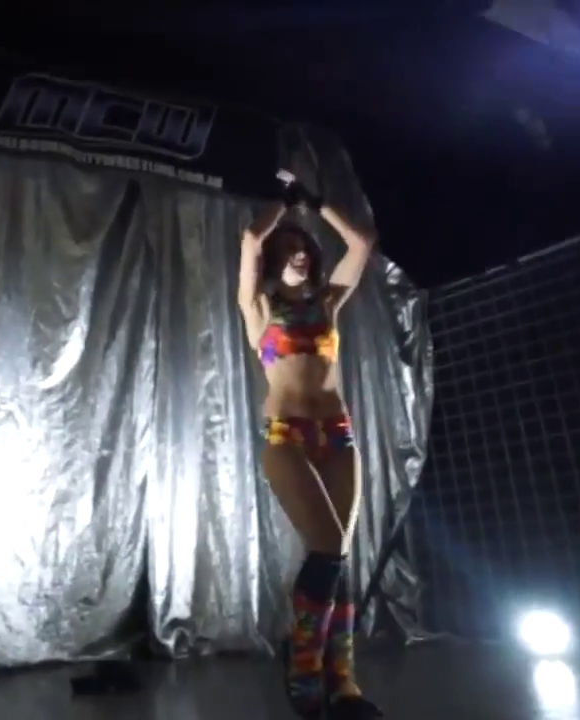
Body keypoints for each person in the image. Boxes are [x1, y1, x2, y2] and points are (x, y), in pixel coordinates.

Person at [236, 171, 382, 719]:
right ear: (276, 259)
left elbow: (361, 243)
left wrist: (318, 205)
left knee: (338, 559)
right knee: (326, 551)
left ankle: (343, 682)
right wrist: (286, 201)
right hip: (286, 436)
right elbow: (251, 239)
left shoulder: (327, 302)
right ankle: (303, 669)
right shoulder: (258, 307)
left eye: (304, 247)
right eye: (289, 248)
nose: (299, 253)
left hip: (337, 434)